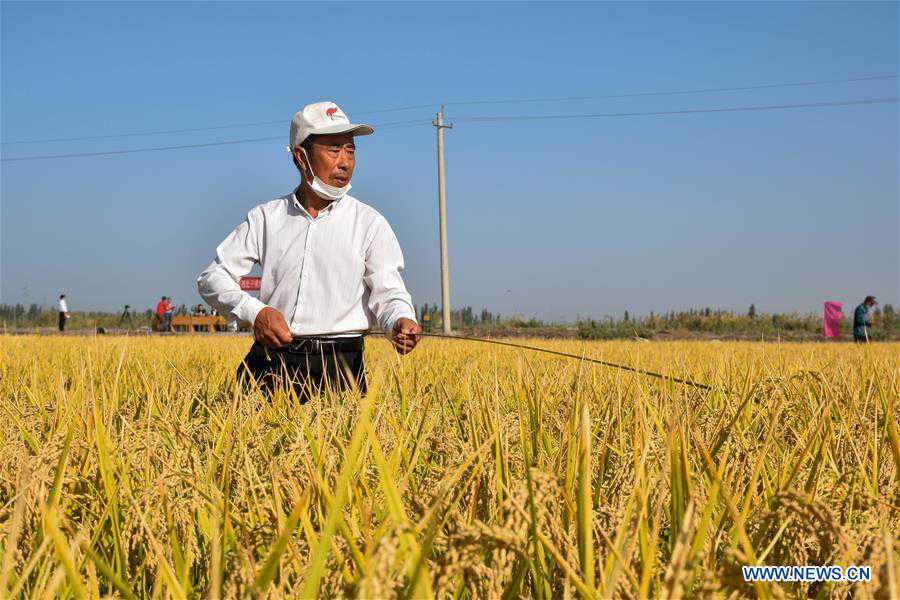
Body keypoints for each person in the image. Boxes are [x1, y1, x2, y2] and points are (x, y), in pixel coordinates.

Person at [198, 101, 421, 401]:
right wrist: (256, 312)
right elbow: (212, 278)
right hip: (270, 364)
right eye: (333, 150)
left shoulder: (369, 223)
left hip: (341, 372)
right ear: (301, 157)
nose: (345, 162)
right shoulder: (267, 218)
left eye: (351, 150)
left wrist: (401, 320)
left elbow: (388, 291)